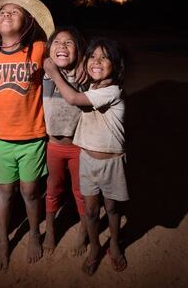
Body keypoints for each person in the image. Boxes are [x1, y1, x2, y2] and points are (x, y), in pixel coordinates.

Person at [0, 0, 55, 269]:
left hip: (32, 135)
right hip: (1, 138)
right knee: (6, 190)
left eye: (15, 12)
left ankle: (34, 234)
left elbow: (65, 58)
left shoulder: (39, 48)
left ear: (29, 21)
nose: (7, 15)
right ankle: (4, 240)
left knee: (30, 191)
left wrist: (79, 67)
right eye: (3, 12)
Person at [44, 37, 129, 276]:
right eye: (92, 57)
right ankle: (94, 248)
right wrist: (82, 63)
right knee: (91, 211)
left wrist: (52, 69)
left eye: (104, 57)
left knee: (111, 209)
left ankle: (113, 244)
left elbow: (72, 98)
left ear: (117, 64)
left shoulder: (112, 91)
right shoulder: (93, 85)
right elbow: (73, 66)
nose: (97, 62)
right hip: (87, 161)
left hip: (111, 162)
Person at [42, 26, 88, 256]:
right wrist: (47, 66)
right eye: (57, 42)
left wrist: (84, 61)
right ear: (48, 51)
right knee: (53, 187)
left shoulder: (84, 74)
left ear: (78, 51)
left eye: (69, 43)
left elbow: (102, 60)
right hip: (54, 146)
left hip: (79, 146)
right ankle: (50, 228)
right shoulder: (43, 72)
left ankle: (84, 229)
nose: (62, 46)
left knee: (81, 191)